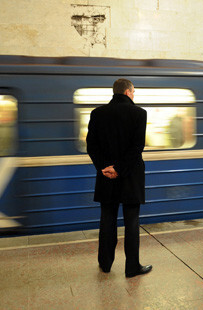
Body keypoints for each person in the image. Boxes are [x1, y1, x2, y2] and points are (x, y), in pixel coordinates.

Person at [86, 78, 152, 278]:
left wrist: (105, 168)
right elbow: (136, 148)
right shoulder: (139, 114)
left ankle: (105, 264)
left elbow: (91, 145)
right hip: (130, 176)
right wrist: (120, 169)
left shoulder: (97, 114)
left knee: (107, 220)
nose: (133, 96)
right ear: (128, 92)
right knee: (131, 222)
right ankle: (132, 267)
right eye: (133, 93)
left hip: (106, 177)